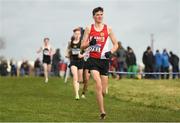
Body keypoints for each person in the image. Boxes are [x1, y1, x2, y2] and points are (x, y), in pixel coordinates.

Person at [81, 7, 118, 119]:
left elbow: (116, 44)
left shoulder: (108, 29)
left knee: (103, 91)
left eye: (101, 14)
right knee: (97, 82)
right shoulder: (89, 28)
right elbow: (82, 46)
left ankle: (101, 97)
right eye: (97, 14)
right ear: (93, 16)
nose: (100, 16)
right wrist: (89, 43)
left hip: (104, 61)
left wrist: (110, 52)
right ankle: (102, 112)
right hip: (93, 60)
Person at [66, 27, 84, 100]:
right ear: (73, 35)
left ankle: (78, 89)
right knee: (75, 77)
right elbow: (68, 49)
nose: (77, 35)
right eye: (75, 34)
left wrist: (82, 55)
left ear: (80, 35)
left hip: (80, 61)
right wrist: (67, 54)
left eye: (78, 34)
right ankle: (77, 94)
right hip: (73, 61)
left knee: (80, 79)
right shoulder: (70, 42)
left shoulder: (82, 42)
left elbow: (88, 51)